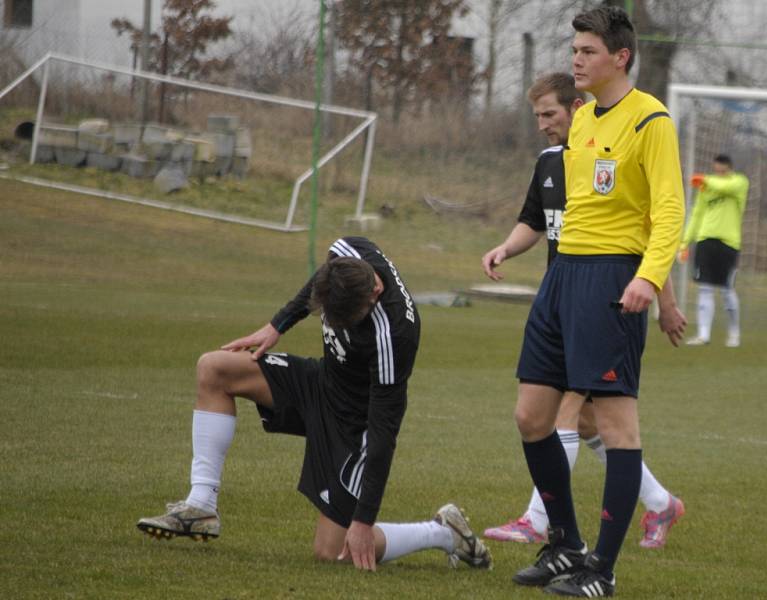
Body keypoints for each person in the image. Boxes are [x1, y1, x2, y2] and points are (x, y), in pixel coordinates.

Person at [136, 236, 492, 572]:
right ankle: (201, 506)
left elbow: (384, 431)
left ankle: (444, 532)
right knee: (213, 369)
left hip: (355, 425)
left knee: (331, 552)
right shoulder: (350, 251)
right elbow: (322, 280)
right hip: (321, 383)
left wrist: (364, 522)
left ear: (374, 294)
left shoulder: (394, 336)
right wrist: (277, 325)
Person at [505, 7, 685, 597]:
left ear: (620, 57)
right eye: (574, 49)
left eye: (587, 51)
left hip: (613, 280)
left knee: (614, 422)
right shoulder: (581, 121)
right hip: (563, 276)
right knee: (532, 415)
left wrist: (649, 281)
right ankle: (564, 545)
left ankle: (601, 571)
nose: (576, 59)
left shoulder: (650, 120)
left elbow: (670, 213)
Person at [679, 154, 749, 347]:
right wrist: (685, 242)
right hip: (705, 241)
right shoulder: (706, 187)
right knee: (705, 288)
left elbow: (725, 187)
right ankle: (703, 335)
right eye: (715, 171)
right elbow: (697, 214)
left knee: (727, 290)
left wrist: (705, 180)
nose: (718, 174)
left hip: (729, 243)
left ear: (728, 168)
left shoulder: (739, 182)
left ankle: (734, 333)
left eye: (721, 171)